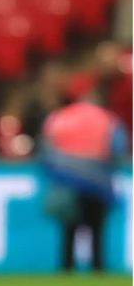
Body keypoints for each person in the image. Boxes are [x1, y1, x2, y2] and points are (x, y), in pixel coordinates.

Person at [41, 95, 129, 272]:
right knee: (97, 229)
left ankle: (67, 268)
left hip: (67, 181)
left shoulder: (58, 118)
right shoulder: (108, 120)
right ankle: (97, 267)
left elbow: (46, 150)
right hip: (98, 183)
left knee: (69, 229)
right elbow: (118, 150)